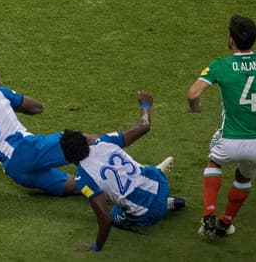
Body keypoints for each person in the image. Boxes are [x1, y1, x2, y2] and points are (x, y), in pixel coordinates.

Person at [187, 15, 256, 239]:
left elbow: (193, 93)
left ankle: (208, 215)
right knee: (244, 177)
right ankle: (226, 223)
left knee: (214, 162)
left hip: (231, 138)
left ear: (231, 40)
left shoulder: (221, 65)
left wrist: (196, 108)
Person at [59, 90, 184, 252]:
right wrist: (145, 105)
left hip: (149, 213)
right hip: (161, 183)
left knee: (114, 212)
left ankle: (164, 205)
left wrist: (96, 247)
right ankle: (168, 200)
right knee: (138, 173)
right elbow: (144, 126)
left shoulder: (83, 178)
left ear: (68, 158)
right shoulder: (104, 141)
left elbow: (105, 219)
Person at [0, 63, 75, 196]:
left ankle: (95, 189)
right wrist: (8, 100)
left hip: (16, 171)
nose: (0, 82)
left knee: (74, 185)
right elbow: (36, 108)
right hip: (27, 149)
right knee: (81, 141)